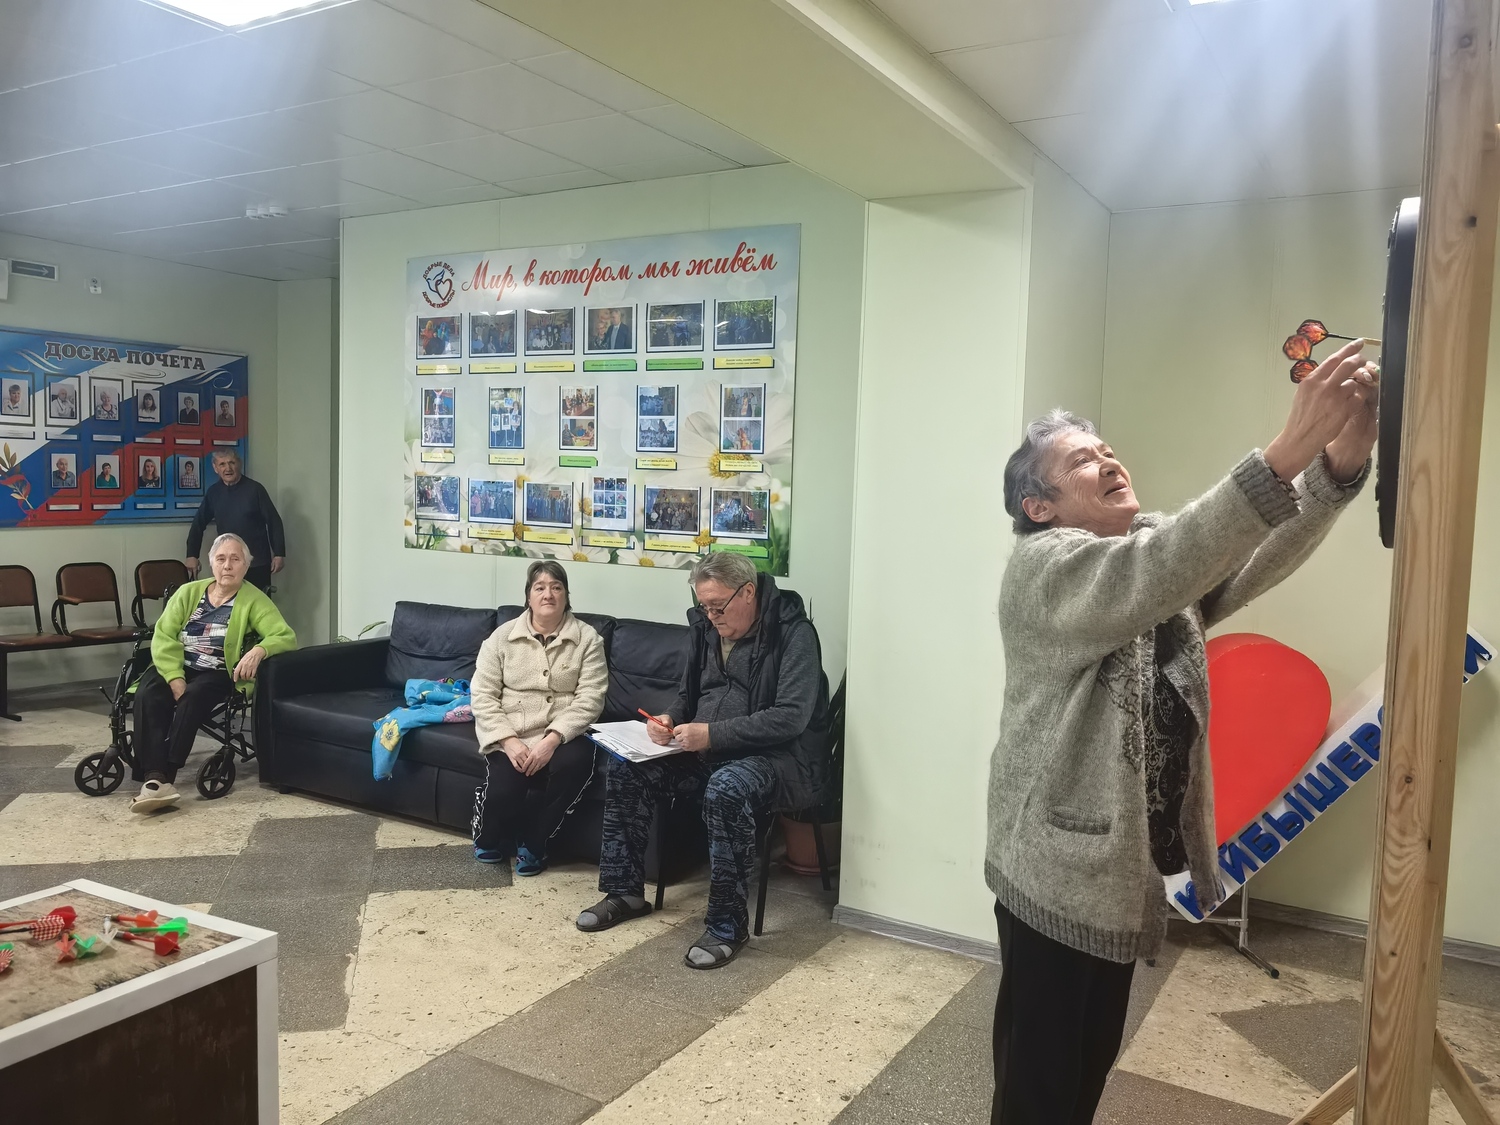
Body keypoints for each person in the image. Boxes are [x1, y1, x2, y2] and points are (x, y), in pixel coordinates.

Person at [986, 339, 1379, 1124]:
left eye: (1107, 448)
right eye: (1082, 459)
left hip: (1115, 874)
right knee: (1039, 1085)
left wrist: (1337, 465)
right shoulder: (1044, 568)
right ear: (1040, 507)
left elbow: (1248, 555)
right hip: (1052, 873)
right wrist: (1290, 446)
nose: (1107, 458)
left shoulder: (1145, 558)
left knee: (1083, 1072)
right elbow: (1169, 561)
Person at [576, 553, 830, 969]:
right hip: (706, 750)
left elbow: (790, 717)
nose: (711, 616)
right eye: (704, 606)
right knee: (627, 766)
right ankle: (625, 892)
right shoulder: (705, 629)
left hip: (778, 759)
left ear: (748, 592)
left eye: (718, 606)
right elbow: (688, 695)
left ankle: (727, 926)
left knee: (727, 788)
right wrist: (669, 719)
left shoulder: (794, 634)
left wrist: (711, 734)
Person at [130, 532, 296, 813]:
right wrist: (174, 676)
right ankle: (154, 776)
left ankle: (165, 774)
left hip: (218, 670)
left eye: (235, 559)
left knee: (193, 697)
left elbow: (284, 636)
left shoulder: (254, 599)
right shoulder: (188, 592)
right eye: (221, 559)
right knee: (149, 693)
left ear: (246, 565)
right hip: (177, 664)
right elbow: (164, 635)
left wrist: (259, 650)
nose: (227, 565)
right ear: (211, 563)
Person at [470, 562, 607, 875]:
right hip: (512, 729)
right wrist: (508, 741)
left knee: (574, 767)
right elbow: (482, 695)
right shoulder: (501, 637)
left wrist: (552, 739)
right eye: (540, 587)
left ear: (566, 596)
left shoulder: (588, 639)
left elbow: (591, 698)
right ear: (528, 597)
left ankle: (534, 844)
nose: (549, 594)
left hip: (566, 733)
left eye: (557, 587)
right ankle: (486, 834)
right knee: (505, 791)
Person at [185, 451, 286, 592]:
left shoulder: (255, 489)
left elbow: (274, 521)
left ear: (239, 464)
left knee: (258, 604)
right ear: (215, 468)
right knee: (229, 602)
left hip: (256, 562)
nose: (228, 468)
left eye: (232, 463)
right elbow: (198, 524)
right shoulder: (214, 492)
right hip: (228, 564)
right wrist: (192, 555)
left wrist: (279, 553)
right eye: (222, 464)